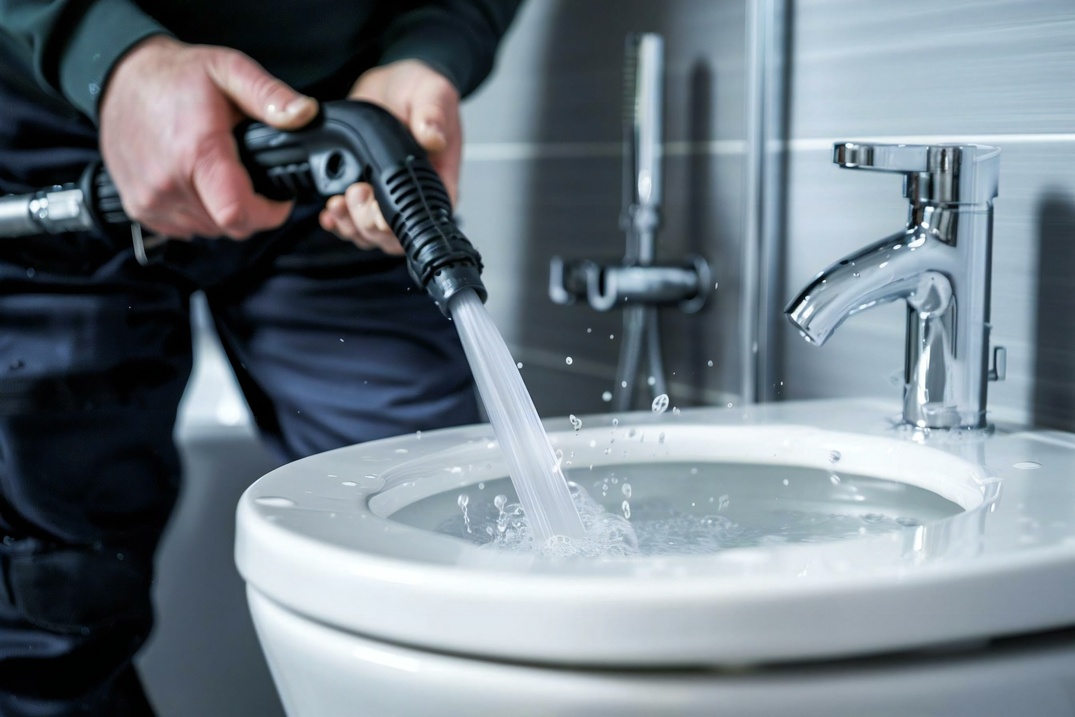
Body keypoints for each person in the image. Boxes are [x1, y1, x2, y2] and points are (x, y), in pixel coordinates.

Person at [0, 1, 524, 714]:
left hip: (332, 142)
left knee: (441, 538)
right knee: (47, 599)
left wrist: (427, 50)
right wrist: (102, 52)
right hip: (48, 122)